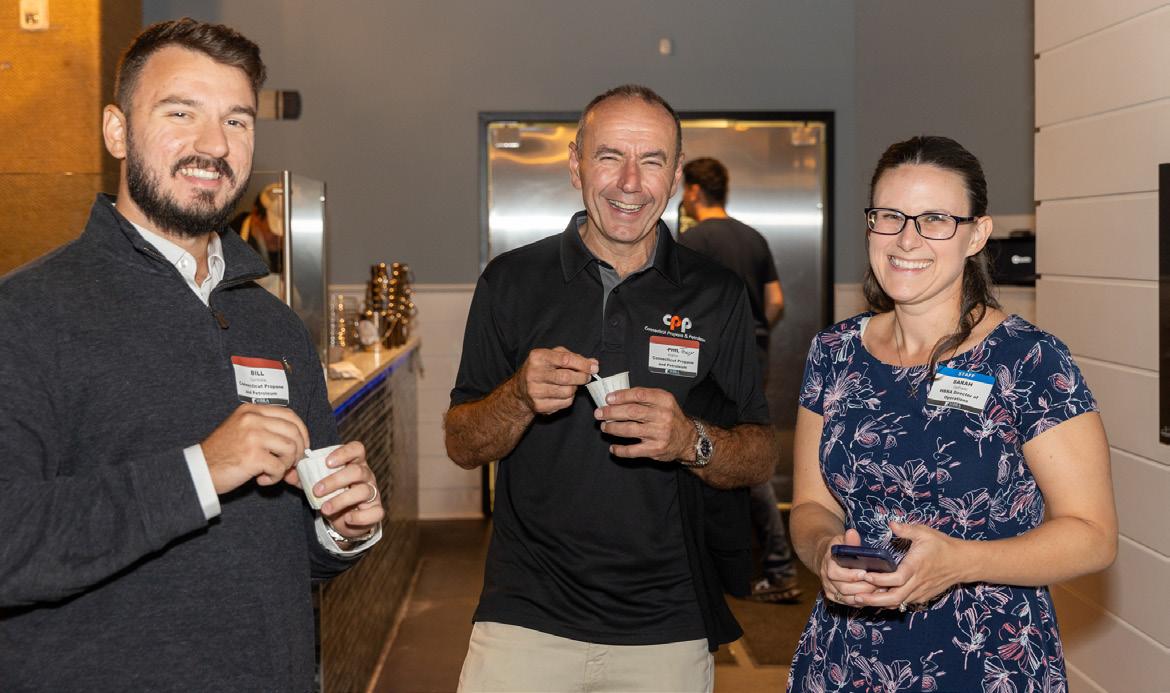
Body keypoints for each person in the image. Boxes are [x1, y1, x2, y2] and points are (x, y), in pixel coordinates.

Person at [0, 18, 384, 691]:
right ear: (117, 131)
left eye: (236, 120)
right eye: (182, 112)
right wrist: (200, 472)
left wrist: (339, 529)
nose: (214, 144)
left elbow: (281, 552)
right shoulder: (26, 314)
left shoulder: (275, 326)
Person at [445, 84, 778, 692]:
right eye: (609, 157)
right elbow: (462, 444)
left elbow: (759, 454)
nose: (630, 182)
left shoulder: (717, 293)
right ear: (575, 164)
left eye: (651, 160)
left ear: (675, 175)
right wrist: (517, 397)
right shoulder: (511, 281)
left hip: (668, 626)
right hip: (525, 617)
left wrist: (689, 441)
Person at [787, 135, 1117, 691]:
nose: (906, 239)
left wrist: (959, 561)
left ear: (976, 235)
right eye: (889, 216)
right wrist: (825, 553)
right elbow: (811, 505)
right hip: (846, 658)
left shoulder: (1028, 359)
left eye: (935, 219)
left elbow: (1093, 535)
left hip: (984, 658)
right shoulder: (834, 352)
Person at [678, 156, 802, 604]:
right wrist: (753, 335)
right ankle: (767, 565)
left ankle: (771, 565)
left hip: (707, 360)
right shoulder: (753, 238)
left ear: (694, 191)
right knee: (741, 446)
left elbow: (679, 305)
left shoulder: (692, 240)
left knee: (705, 447)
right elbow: (776, 300)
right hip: (753, 355)